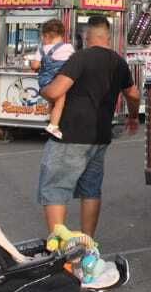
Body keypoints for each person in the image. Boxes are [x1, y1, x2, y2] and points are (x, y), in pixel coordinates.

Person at [36, 15, 140, 236]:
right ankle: (87, 244)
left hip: (70, 133)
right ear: (108, 37)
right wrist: (132, 117)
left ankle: (61, 248)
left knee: (55, 189)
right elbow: (133, 94)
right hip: (100, 135)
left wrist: (44, 91)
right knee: (91, 190)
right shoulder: (118, 62)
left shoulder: (80, 58)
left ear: (86, 36)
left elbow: (56, 90)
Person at [29, 18, 74, 141]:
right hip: (58, 82)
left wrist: (31, 65)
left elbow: (35, 66)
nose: (42, 39)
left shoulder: (42, 49)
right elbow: (74, 64)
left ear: (47, 36)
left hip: (44, 82)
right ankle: (54, 125)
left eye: (43, 37)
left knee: (51, 101)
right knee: (60, 102)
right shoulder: (68, 48)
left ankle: (51, 119)